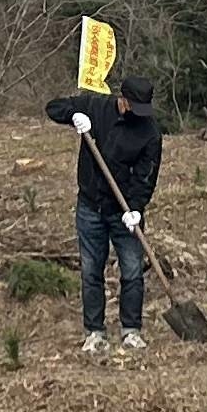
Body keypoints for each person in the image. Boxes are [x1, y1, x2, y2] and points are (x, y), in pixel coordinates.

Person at [42, 75, 165, 353]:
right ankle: (94, 332)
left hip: (124, 212)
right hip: (90, 206)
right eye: (135, 106)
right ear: (123, 100)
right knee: (91, 271)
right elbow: (53, 107)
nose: (139, 113)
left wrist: (136, 208)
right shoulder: (95, 108)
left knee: (132, 271)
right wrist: (74, 115)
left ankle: (131, 330)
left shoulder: (150, 133)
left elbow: (146, 175)